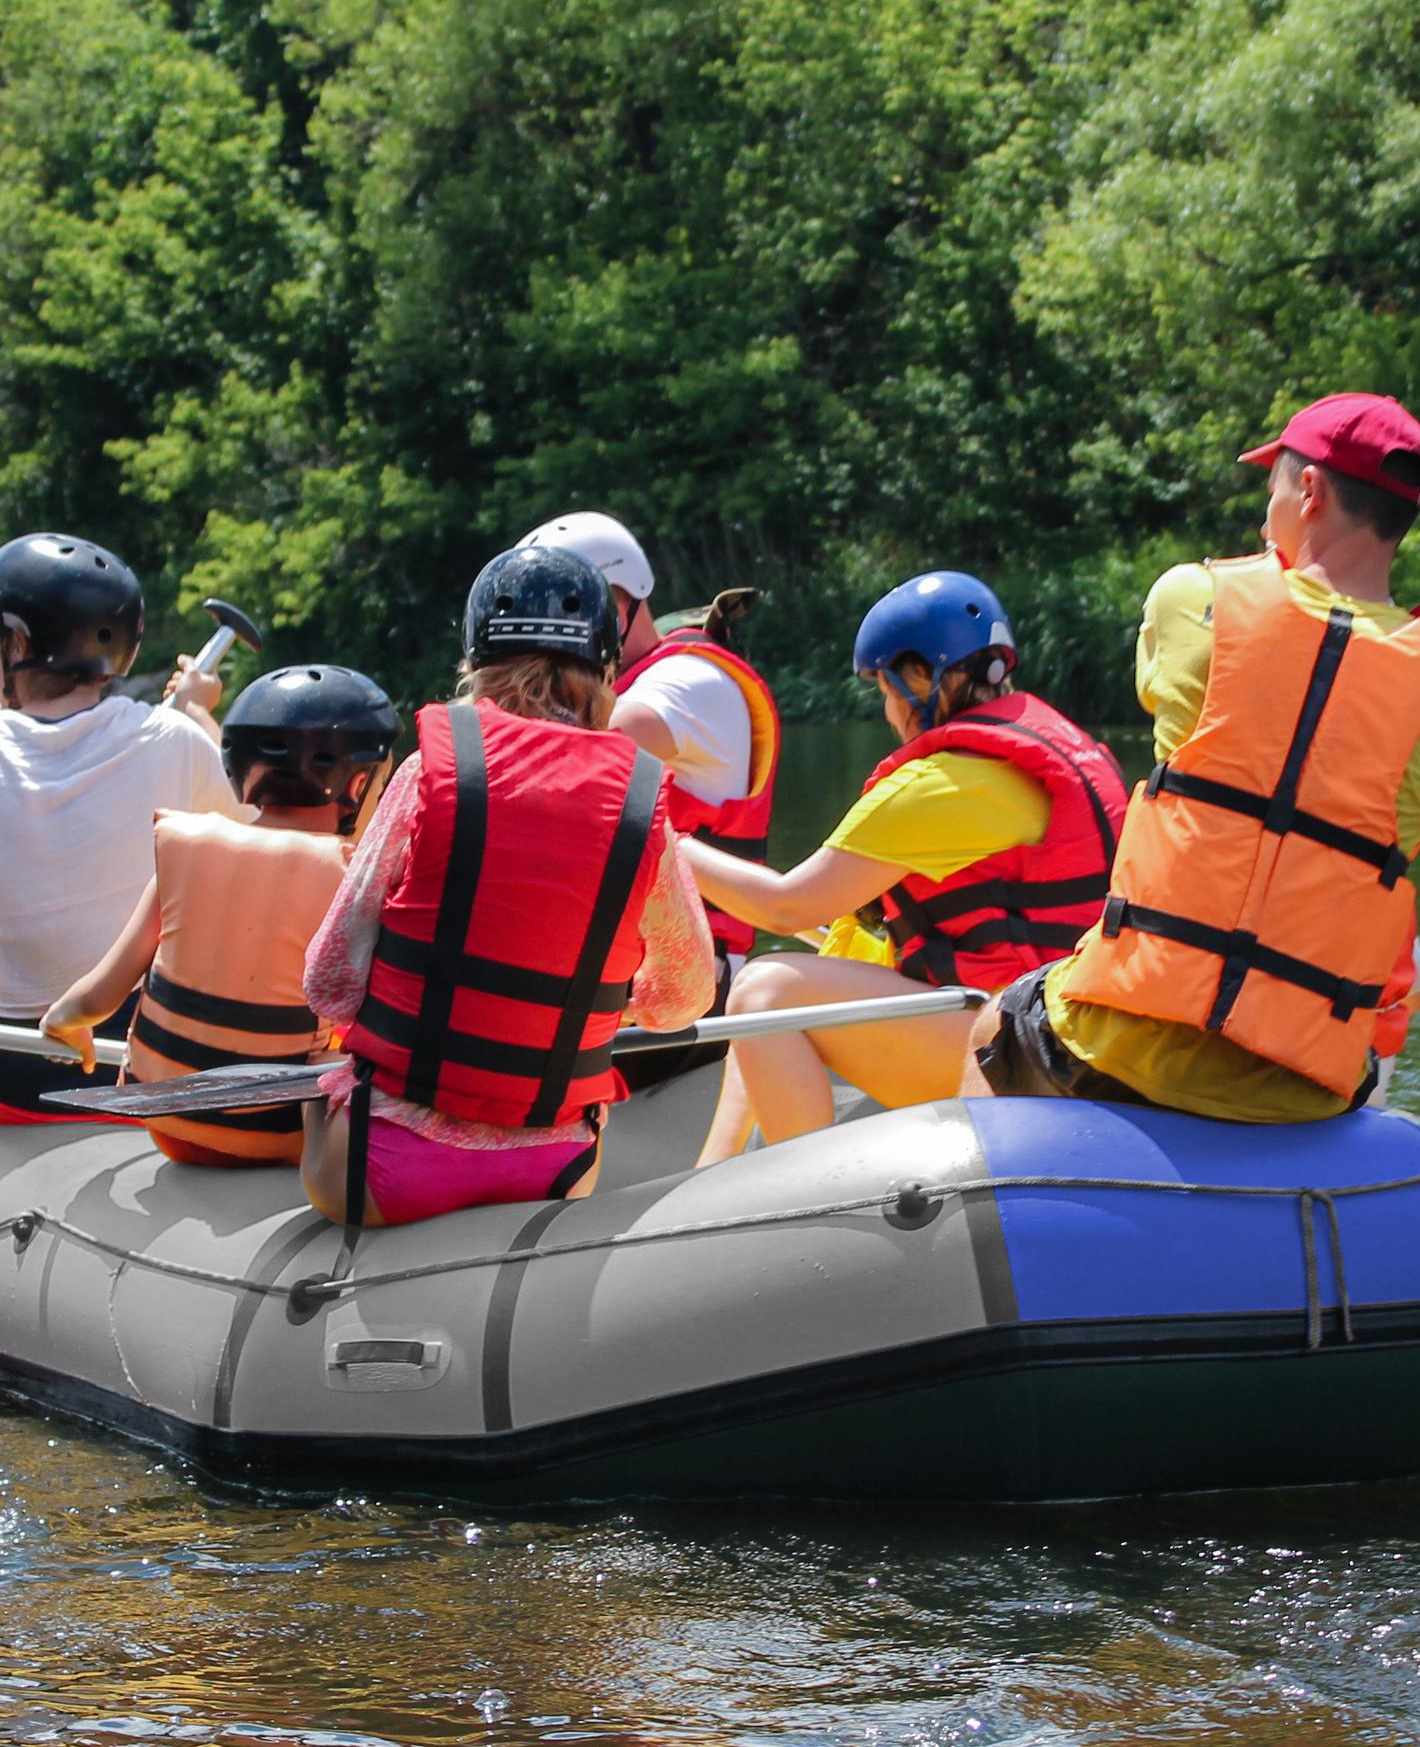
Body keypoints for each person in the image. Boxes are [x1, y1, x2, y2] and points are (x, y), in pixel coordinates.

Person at [980, 391, 1420, 1119]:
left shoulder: (1191, 599)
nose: (1265, 515)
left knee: (994, 1022)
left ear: (1310, 490)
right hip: (1306, 1088)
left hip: (1119, 1050)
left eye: (1273, 490)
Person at [301, 543, 721, 1225]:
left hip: (381, 1176)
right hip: (553, 1177)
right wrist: (589, 1005)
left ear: (476, 662)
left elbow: (328, 983)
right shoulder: (642, 805)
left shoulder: (429, 774)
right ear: (607, 670)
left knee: (320, 1083)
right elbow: (686, 998)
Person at [678, 572, 1128, 1163]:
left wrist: (668, 842)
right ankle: (713, 1172)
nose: (890, 712)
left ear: (920, 676)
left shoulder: (944, 782)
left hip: (1021, 1052)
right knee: (795, 983)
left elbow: (783, 907)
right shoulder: (1068, 749)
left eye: (886, 690)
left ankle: (812, 1195)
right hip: (1077, 1037)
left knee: (765, 991)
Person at [0, 533, 240, 1128]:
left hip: (15, 1082)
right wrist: (196, 713)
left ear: (18, 643)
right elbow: (253, 829)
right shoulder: (176, 740)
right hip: (146, 1071)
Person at [39, 664, 399, 1169]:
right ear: (358, 785)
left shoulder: (186, 853)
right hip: (280, 1136)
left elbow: (98, 997)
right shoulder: (351, 880)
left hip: (167, 1125)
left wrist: (64, 1021)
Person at [524, 512, 783, 969]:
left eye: (559, 615)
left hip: (692, 978)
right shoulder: (641, 679)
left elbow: (578, 763)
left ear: (616, 607)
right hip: (624, 966)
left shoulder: (688, 680)